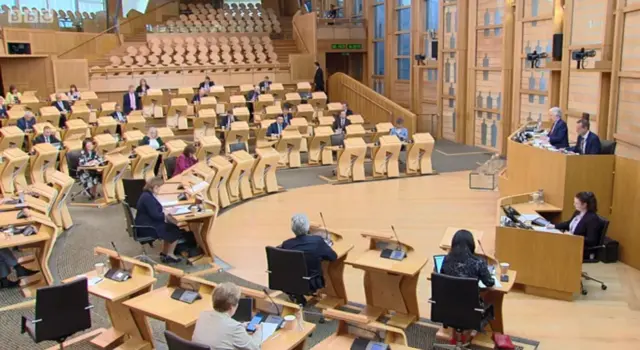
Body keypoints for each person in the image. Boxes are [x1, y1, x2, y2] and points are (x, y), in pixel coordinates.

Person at [281, 214, 337, 305]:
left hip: (290, 282)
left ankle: (296, 294)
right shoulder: (317, 241)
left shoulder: (286, 244)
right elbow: (333, 257)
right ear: (307, 228)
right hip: (312, 282)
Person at [192, 282, 262, 349]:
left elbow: (219, 331)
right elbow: (255, 348)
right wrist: (259, 331)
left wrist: (241, 327)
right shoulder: (234, 328)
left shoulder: (203, 315)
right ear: (231, 307)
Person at [135, 177, 186, 263]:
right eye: (160, 188)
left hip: (145, 223)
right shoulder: (148, 198)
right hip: (147, 227)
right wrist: (167, 213)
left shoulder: (146, 195)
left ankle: (164, 253)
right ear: (155, 187)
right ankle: (170, 255)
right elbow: (157, 216)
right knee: (174, 229)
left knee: (170, 226)